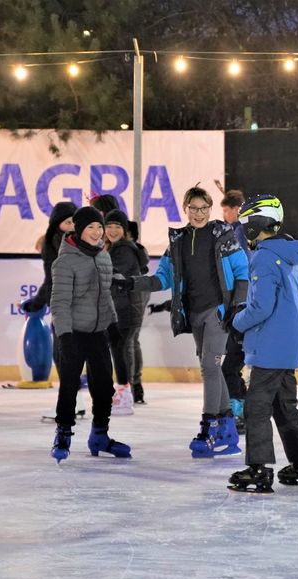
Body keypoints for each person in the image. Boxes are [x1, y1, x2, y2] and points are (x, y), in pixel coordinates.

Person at [119, 185, 249, 458]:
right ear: (185, 209)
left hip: (218, 312)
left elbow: (242, 271)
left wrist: (236, 307)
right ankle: (227, 428)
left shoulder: (223, 235)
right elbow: (162, 278)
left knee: (209, 367)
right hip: (195, 313)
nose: (199, 213)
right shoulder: (177, 240)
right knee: (211, 366)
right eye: (194, 208)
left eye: (204, 208)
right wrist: (131, 283)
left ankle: (209, 426)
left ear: (210, 209)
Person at [226, 195, 298, 493]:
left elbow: (262, 307)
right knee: (285, 406)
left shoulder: (265, 256)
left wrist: (236, 322)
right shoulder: (287, 252)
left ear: (257, 224)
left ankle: (259, 470)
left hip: (270, 344)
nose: (242, 230)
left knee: (256, 407)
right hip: (286, 343)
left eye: (245, 224)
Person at [50, 206, 132, 462]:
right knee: (69, 387)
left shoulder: (103, 257)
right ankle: (63, 434)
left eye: (100, 227)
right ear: (79, 230)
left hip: (98, 333)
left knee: (104, 387)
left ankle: (100, 435)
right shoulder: (65, 261)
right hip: (73, 333)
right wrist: (64, 336)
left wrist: (113, 326)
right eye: (91, 228)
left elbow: (105, 296)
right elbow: (59, 302)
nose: (97, 232)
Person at [103, 208, 146, 415]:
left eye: (117, 227)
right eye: (109, 226)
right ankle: (126, 390)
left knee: (121, 349)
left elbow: (110, 273)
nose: (112, 230)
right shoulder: (114, 248)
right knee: (120, 348)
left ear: (124, 230)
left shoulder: (124, 250)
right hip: (122, 307)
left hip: (125, 309)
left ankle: (126, 391)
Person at [218, 189, 249, 432]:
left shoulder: (240, 233)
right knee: (233, 365)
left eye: (226, 210)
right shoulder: (239, 231)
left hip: (242, 308)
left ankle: (239, 411)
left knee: (231, 366)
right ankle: (244, 408)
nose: (224, 215)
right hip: (238, 307)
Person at [126, 219, 151, 404]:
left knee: (129, 340)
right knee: (132, 340)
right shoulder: (138, 250)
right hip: (140, 292)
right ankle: (135, 385)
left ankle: (130, 384)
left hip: (134, 293)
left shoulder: (129, 250)